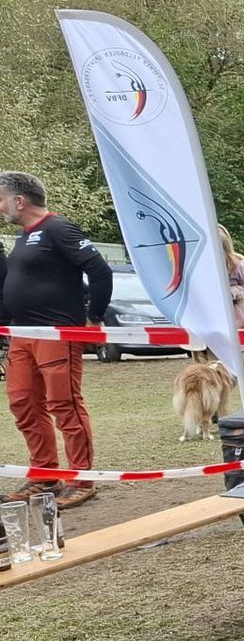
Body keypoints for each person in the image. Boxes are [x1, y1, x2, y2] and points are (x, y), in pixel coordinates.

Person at [0, 171, 113, 507]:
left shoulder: (58, 228)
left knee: (65, 405)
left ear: (19, 200)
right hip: (22, 335)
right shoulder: (22, 238)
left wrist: (94, 317)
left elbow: (100, 271)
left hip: (56, 333)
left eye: (1, 200)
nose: (0, 208)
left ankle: (82, 479)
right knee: (23, 403)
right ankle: (45, 476)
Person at [215, 224, 244, 395]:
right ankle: (219, 402)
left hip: (241, 314)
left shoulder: (238, 263)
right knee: (219, 367)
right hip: (217, 318)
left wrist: (233, 292)